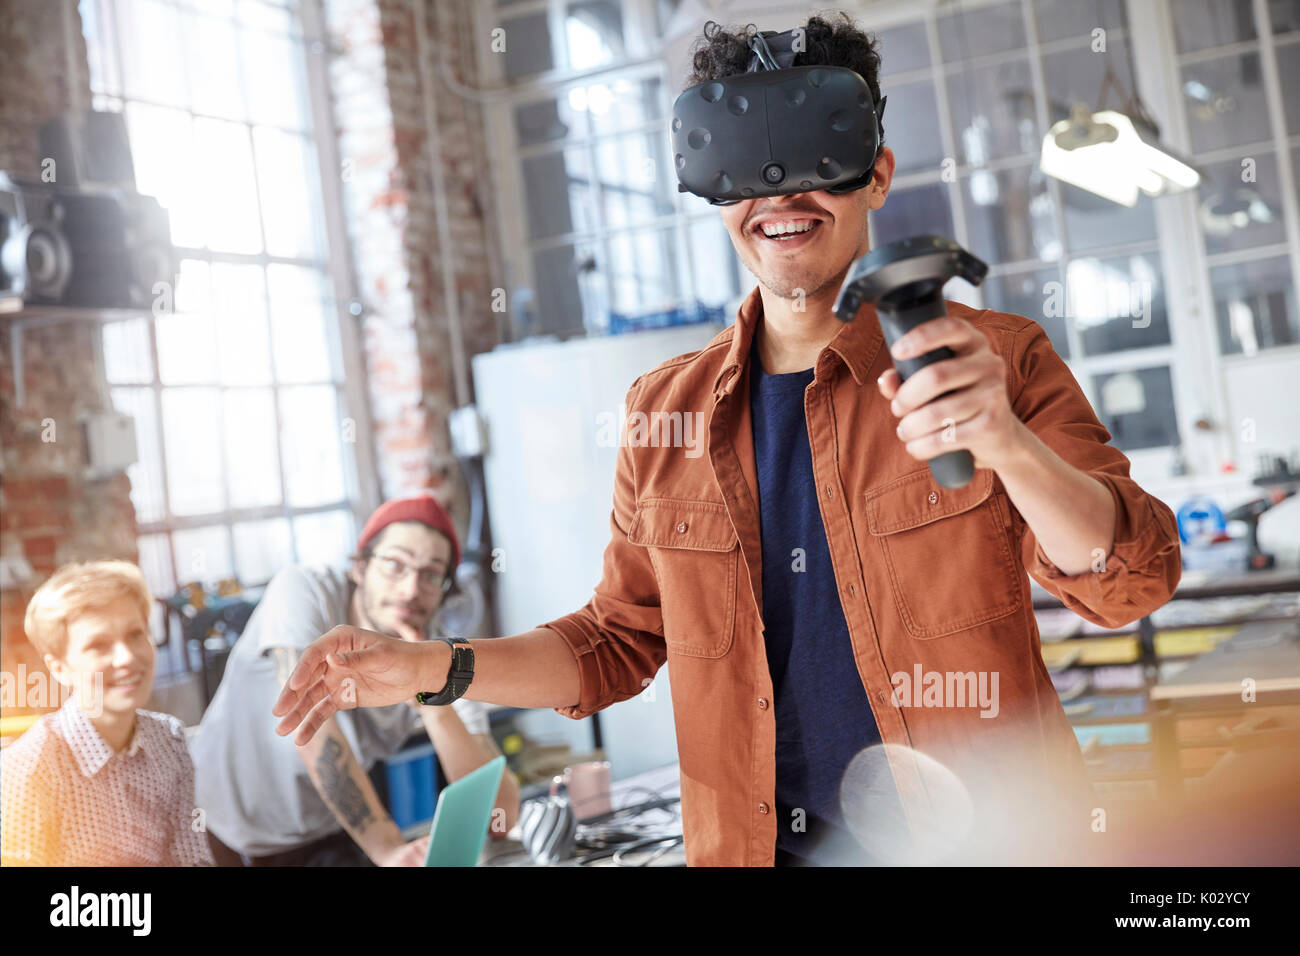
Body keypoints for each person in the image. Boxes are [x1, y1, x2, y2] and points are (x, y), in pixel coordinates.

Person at [272, 14, 1181, 866]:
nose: (784, 196)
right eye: (752, 172)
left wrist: (1008, 443)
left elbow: (1129, 579)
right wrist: (434, 669)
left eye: (820, 160)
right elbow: (615, 641)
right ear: (715, 192)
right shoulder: (663, 415)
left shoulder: (993, 359)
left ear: (877, 172)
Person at [192, 494, 519, 866]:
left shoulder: (439, 652)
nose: (411, 589)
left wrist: (431, 700)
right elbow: (310, 724)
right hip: (221, 830)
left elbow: (502, 812)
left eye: (430, 575)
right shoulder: (305, 590)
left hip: (324, 829)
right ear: (360, 567)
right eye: (395, 564)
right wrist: (388, 849)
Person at [1, 560, 214, 866]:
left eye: (135, 634)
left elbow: (192, 856)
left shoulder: (171, 740)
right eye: (99, 645)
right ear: (59, 668)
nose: (127, 657)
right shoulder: (27, 770)